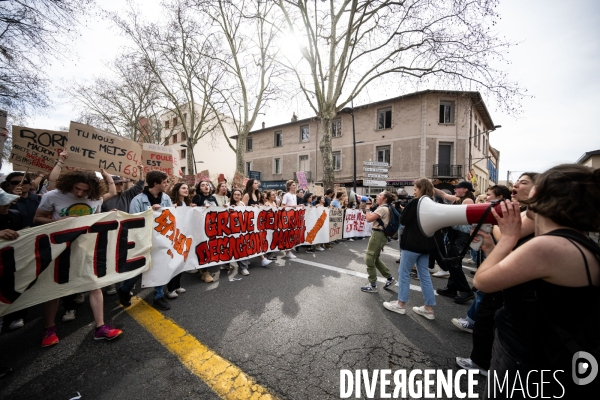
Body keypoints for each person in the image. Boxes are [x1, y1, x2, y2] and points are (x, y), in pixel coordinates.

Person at [474, 164, 600, 398]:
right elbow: (516, 281)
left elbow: (483, 281)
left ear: (541, 196)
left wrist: (508, 238)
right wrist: (493, 248)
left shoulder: (547, 247)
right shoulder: (576, 240)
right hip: (541, 353)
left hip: (526, 355)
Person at [455, 174, 538, 377]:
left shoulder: (534, 222)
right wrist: (491, 246)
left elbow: (482, 280)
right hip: (510, 283)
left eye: (524, 182)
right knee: (488, 319)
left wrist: (497, 228)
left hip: (513, 286)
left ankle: (481, 363)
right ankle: (483, 361)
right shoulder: (525, 214)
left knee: (488, 319)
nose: (515, 184)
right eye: (516, 181)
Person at [33, 170, 122, 346]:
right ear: (70, 183)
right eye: (77, 189)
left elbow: (94, 219)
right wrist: (60, 221)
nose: (80, 193)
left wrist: (107, 216)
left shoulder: (95, 198)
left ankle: (100, 327)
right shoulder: (53, 196)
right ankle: (49, 329)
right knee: (54, 288)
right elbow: (37, 218)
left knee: (94, 285)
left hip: (84, 247)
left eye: (85, 190)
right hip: (59, 248)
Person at [119, 171, 173, 311]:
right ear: (156, 183)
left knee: (160, 267)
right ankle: (124, 290)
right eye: (165, 181)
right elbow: (133, 220)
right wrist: (150, 210)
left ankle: (158, 296)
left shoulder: (166, 198)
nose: (167, 184)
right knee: (139, 268)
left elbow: (172, 216)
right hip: (143, 240)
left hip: (161, 239)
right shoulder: (138, 200)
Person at [383, 178, 437, 318]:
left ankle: (400, 304)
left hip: (412, 243)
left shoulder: (415, 202)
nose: (414, 191)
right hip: (426, 244)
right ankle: (429, 308)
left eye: (415, 188)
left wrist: (405, 209)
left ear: (421, 188)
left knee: (404, 273)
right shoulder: (433, 203)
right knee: (424, 275)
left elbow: (404, 220)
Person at [433, 181, 476, 304]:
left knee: (453, 263)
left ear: (465, 189)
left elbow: (465, 221)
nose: (455, 190)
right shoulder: (459, 199)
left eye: (458, 188)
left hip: (461, 235)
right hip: (455, 234)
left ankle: (466, 291)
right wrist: (431, 187)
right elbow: (443, 195)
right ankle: (451, 288)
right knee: (453, 262)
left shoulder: (467, 201)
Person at [360, 191, 396, 292]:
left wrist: (367, 208)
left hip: (378, 234)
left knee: (369, 258)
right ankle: (389, 277)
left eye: (380, 195)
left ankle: (373, 285)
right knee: (375, 258)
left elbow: (369, 219)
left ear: (385, 199)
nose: (377, 196)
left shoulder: (383, 209)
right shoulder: (385, 208)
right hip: (380, 234)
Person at [165, 182, 194, 299]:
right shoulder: (172, 203)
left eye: (187, 188)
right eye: (183, 188)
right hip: (173, 237)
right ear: (177, 190)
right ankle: (170, 288)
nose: (186, 190)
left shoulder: (186, 203)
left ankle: (177, 285)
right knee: (174, 262)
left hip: (184, 236)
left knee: (181, 261)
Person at [281, 180, 302, 259]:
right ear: (289, 186)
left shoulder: (294, 196)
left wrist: (298, 205)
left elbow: (294, 206)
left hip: (293, 216)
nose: (294, 186)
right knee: (288, 234)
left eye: (295, 185)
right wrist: (291, 206)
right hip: (287, 217)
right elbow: (283, 206)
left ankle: (288, 250)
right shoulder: (286, 195)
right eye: (293, 185)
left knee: (292, 234)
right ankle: (288, 252)